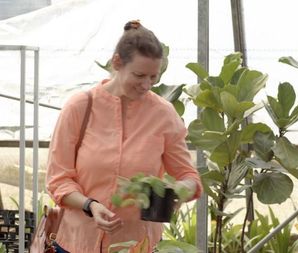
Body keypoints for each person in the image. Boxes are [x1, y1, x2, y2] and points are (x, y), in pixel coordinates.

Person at [46, 20, 203, 252]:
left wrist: (179, 191)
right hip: (78, 242)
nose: (146, 85)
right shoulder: (80, 107)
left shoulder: (164, 114)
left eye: (153, 77)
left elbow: (189, 175)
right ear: (117, 62)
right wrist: (90, 205)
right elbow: (58, 180)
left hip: (137, 244)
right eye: (139, 75)